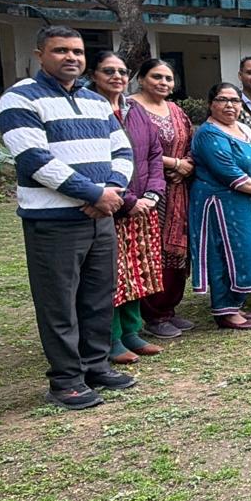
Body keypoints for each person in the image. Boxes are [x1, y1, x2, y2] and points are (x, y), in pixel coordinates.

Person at [0, 26, 137, 409]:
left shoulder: (95, 101)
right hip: (53, 221)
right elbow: (35, 159)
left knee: (98, 296)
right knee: (58, 302)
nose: (71, 57)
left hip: (100, 217)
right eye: (60, 50)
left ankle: (95, 366)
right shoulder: (19, 99)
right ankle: (66, 380)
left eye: (77, 51)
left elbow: (122, 150)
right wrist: (93, 194)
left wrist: (111, 191)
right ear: (40, 54)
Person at [87, 53, 166, 364]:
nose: (117, 76)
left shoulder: (135, 110)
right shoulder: (89, 109)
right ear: (93, 75)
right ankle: (112, 337)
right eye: (108, 71)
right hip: (109, 206)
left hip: (143, 205)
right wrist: (129, 201)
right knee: (113, 276)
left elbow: (154, 154)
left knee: (137, 271)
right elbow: (93, 162)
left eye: (121, 71)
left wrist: (153, 194)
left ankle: (132, 331)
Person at [189, 83, 251, 331]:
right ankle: (224, 310)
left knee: (245, 253)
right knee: (224, 255)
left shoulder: (243, 129)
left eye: (235, 100)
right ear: (211, 104)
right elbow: (227, 171)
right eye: (222, 100)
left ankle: (236, 304)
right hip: (221, 204)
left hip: (247, 202)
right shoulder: (208, 134)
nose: (230, 105)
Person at [131, 59, 197, 339]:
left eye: (168, 78)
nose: (163, 83)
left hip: (179, 190)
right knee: (151, 250)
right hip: (149, 191)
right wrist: (174, 164)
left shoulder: (176, 110)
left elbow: (191, 143)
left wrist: (187, 166)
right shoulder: (131, 109)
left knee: (177, 251)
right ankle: (152, 313)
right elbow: (135, 149)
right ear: (141, 79)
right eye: (156, 77)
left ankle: (168, 308)